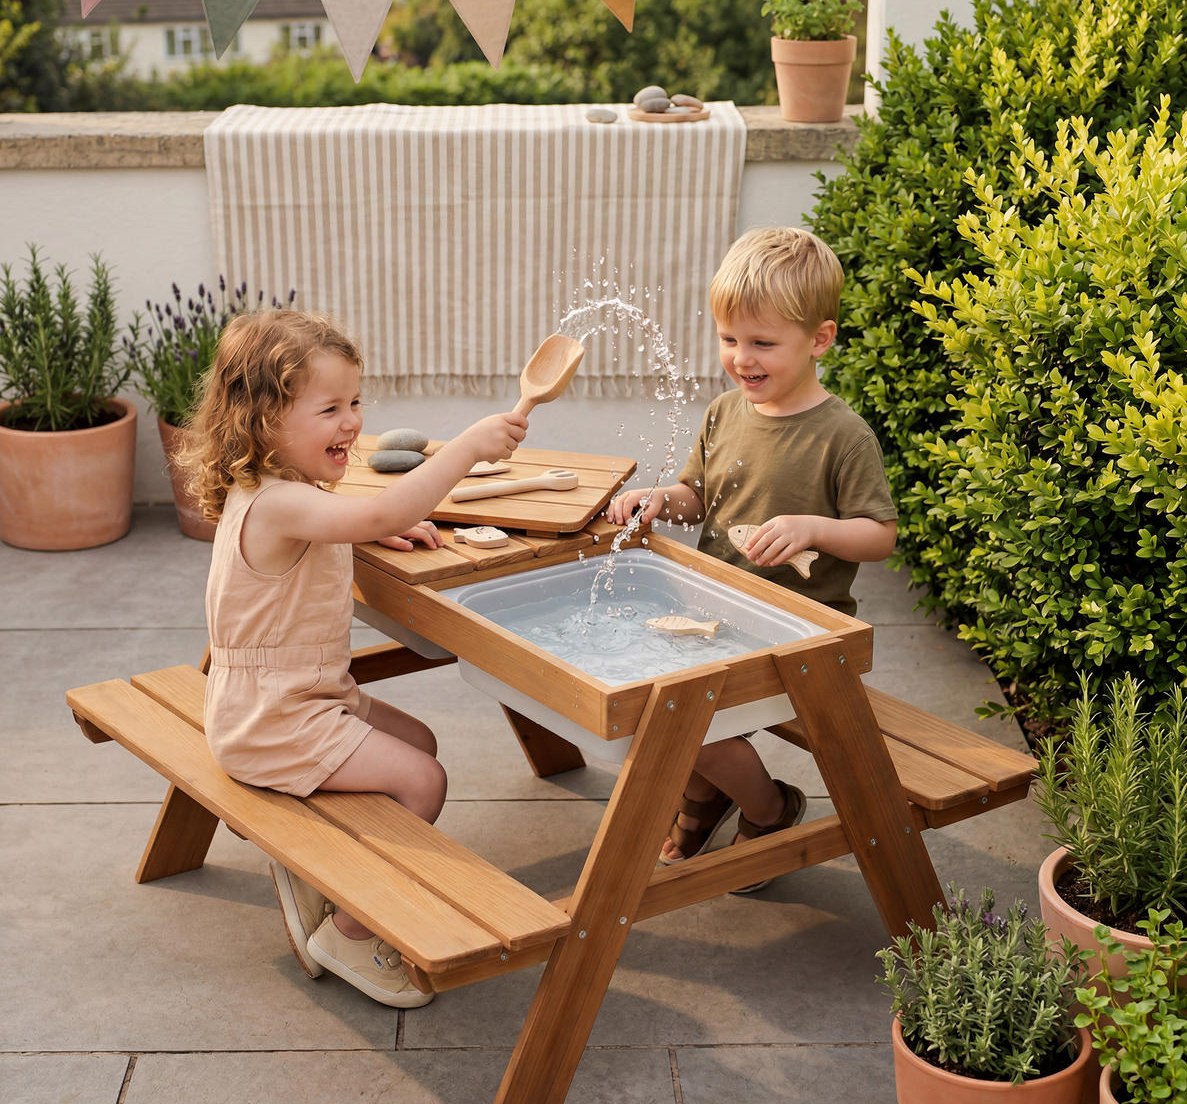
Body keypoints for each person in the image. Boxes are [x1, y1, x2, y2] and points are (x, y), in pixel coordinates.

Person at [181, 310, 527, 1005]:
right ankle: (350, 931)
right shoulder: (277, 502)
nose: (353, 422)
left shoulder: (286, 496)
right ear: (264, 420)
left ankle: (324, 862)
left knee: (418, 742)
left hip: (292, 699)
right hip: (273, 720)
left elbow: (352, 524)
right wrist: (464, 448)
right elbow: (373, 512)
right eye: (330, 408)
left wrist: (376, 531)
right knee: (424, 782)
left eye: (356, 402)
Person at [606, 227, 897, 889]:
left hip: (799, 635)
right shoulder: (724, 413)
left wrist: (814, 528)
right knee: (631, 687)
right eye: (729, 339)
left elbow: (879, 535)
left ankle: (769, 809)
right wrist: (661, 499)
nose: (742, 358)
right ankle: (706, 794)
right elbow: (699, 498)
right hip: (716, 612)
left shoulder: (842, 436)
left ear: (819, 339)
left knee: (684, 725)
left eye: (762, 343)